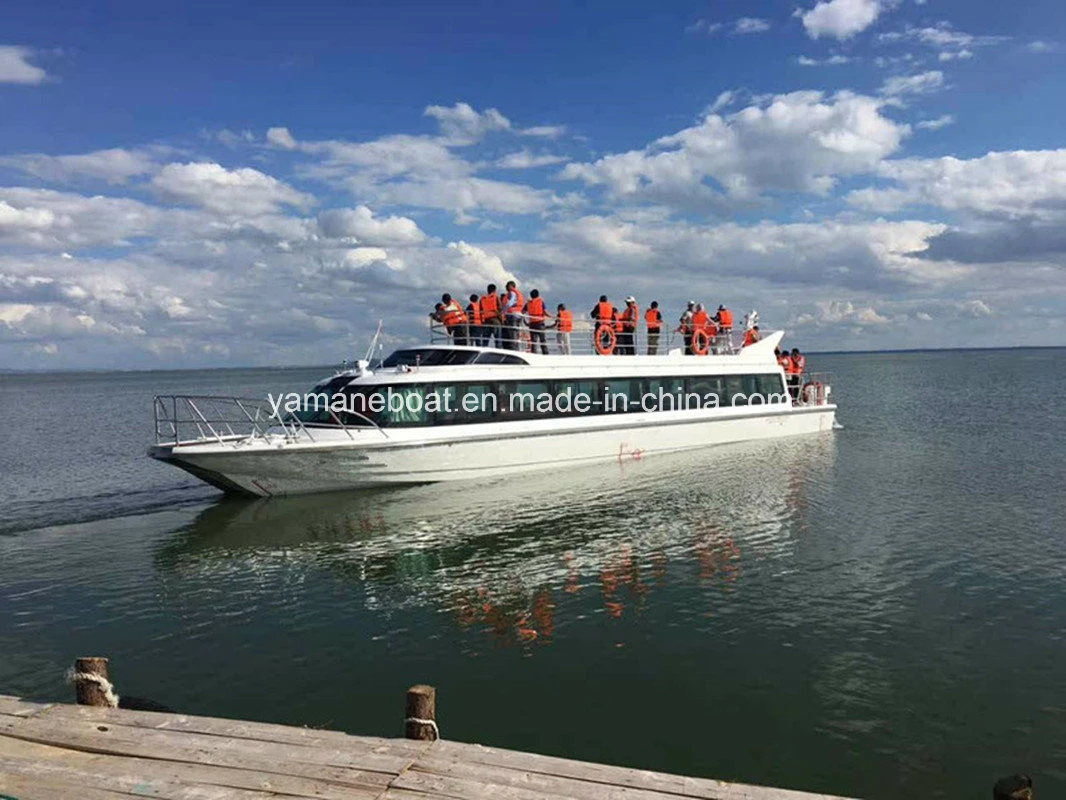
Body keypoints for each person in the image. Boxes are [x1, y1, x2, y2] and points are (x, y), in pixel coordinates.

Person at [525, 289, 549, 355]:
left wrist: (525, 321)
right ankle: (545, 354)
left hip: (532, 324)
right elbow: (545, 312)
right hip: (540, 323)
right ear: (538, 295)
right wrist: (552, 317)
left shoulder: (528, 303)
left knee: (533, 342)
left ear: (531, 296)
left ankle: (534, 354)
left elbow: (522, 312)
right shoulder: (541, 302)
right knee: (543, 341)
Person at [502, 280, 524, 350]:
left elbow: (509, 303)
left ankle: (514, 349)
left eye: (507, 286)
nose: (506, 287)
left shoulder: (512, 293)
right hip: (518, 314)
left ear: (510, 286)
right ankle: (516, 347)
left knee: (512, 334)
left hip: (512, 315)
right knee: (516, 333)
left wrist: (504, 311)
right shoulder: (518, 294)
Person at [479, 283, 501, 348]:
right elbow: (500, 308)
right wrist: (501, 320)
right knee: (498, 340)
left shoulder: (482, 299)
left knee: (485, 341)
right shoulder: (496, 297)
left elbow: (480, 311)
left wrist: (482, 322)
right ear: (494, 290)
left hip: (486, 321)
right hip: (495, 320)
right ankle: (498, 353)